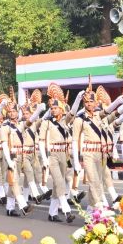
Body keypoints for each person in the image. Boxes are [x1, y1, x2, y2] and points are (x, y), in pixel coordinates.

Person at [39, 86, 75, 223]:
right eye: (52, 108)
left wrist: (78, 98)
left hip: (63, 155)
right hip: (52, 155)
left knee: (57, 185)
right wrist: (44, 158)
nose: (53, 110)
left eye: (56, 108)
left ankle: (52, 213)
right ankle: (67, 211)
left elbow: (73, 112)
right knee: (59, 182)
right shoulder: (46, 122)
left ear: (61, 109)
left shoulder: (65, 121)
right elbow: (41, 141)